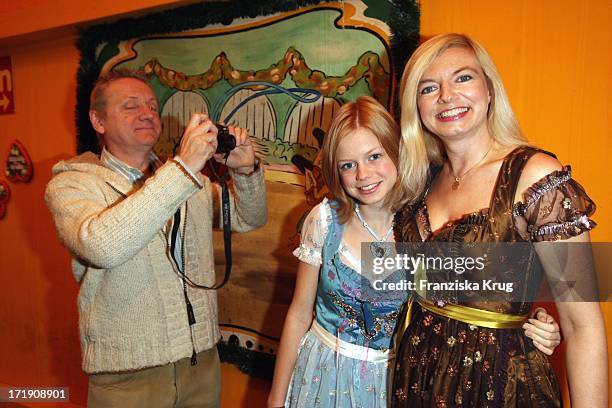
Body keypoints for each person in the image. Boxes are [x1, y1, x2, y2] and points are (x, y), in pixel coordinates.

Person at [267, 96, 561, 408]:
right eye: (348, 165)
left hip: (396, 381)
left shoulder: (423, 225)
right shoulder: (324, 221)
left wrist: (537, 321)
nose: (363, 175)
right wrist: (275, 397)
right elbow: (299, 313)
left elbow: (488, 287)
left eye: (375, 156)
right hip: (320, 375)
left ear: (397, 152)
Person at [391, 33, 608, 407]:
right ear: (416, 105)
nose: (446, 95)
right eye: (429, 87)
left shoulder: (534, 176)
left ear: (489, 90)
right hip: (418, 378)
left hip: (500, 386)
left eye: (462, 78)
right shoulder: (419, 182)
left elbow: (583, 325)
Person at [45, 69, 267, 407]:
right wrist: (184, 167)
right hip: (128, 376)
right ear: (98, 120)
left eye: (151, 106)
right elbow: (103, 246)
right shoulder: (72, 185)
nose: (147, 113)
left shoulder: (182, 177)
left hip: (201, 364)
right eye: (131, 106)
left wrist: (245, 170)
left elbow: (249, 218)